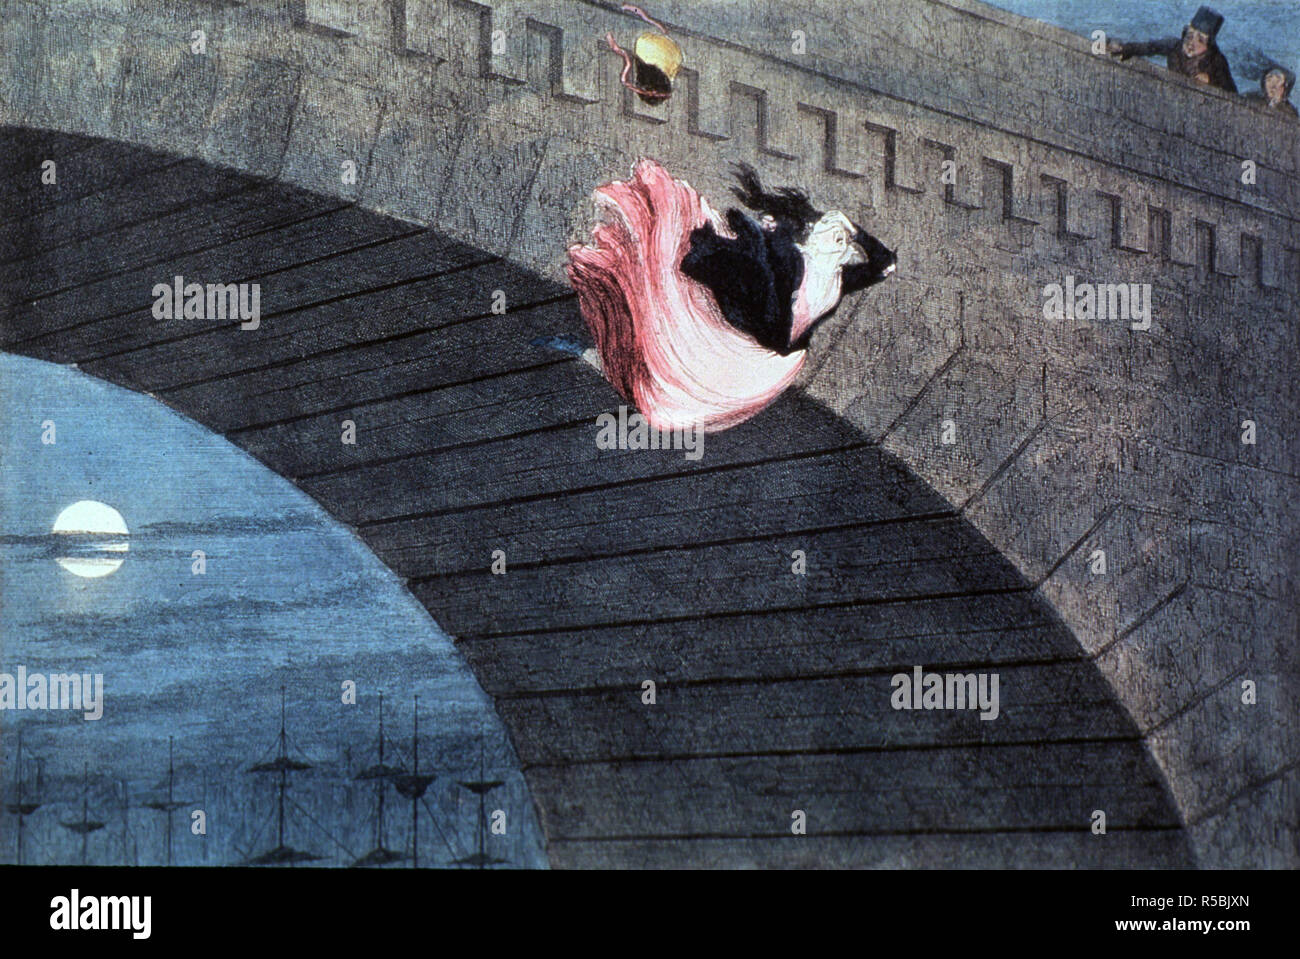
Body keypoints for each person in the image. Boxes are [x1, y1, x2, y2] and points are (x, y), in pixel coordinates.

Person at [557, 161, 896, 433]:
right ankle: (591, 354)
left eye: (840, 239)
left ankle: (595, 359)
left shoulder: (837, 280)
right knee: (665, 370)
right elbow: (757, 264)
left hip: (764, 364)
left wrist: (855, 230)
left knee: (678, 398)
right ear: (811, 236)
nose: (835, 241)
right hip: (738, 345)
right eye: (828, 232)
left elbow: (885, 265)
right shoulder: (790, 258)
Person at [1106, 6, 1236, 93]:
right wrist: (1125, 48)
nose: (1192, 43)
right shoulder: (1174, 46)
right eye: (1189, 35)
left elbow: (1232, 93)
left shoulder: (1217, 61)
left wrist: (1212, 82)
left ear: (1209, 47)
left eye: (1200, 40)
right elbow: (1148, 47)